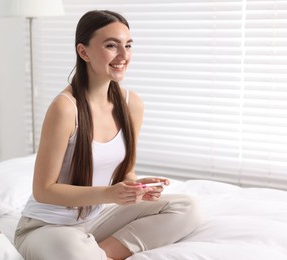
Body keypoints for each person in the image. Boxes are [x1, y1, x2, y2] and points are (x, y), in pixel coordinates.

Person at [14, 10, 201, 260]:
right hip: (47, 226)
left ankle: (101, 253)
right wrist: (109, 194)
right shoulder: (65, 108)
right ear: (84, 52)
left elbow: (125, 174)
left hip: (96, 218)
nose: (124, 56)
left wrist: (138, 188)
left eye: (128, 45)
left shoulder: (131, 104)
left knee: (187, 209)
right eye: (112, 45)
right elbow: (44, 190)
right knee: (70, 251)